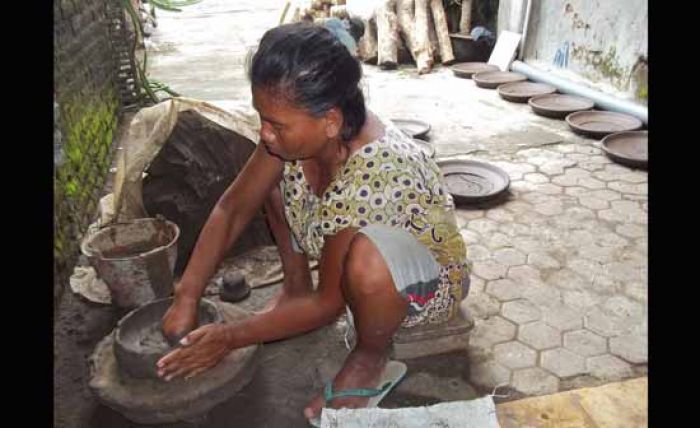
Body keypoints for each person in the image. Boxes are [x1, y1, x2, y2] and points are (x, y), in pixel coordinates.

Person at [157, 22, 470, 423]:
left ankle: (370, 354)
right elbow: (233, 207)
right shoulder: (294, 138)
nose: (264, 133)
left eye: (276, 124)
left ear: (330, 121)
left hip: (421, 282)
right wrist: (187, 294)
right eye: (262, 118)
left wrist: (229, 338)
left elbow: (328, 305)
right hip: (351, 241)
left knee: (366, 263)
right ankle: (293, 285)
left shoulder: (376, 175)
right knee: (271, 181)